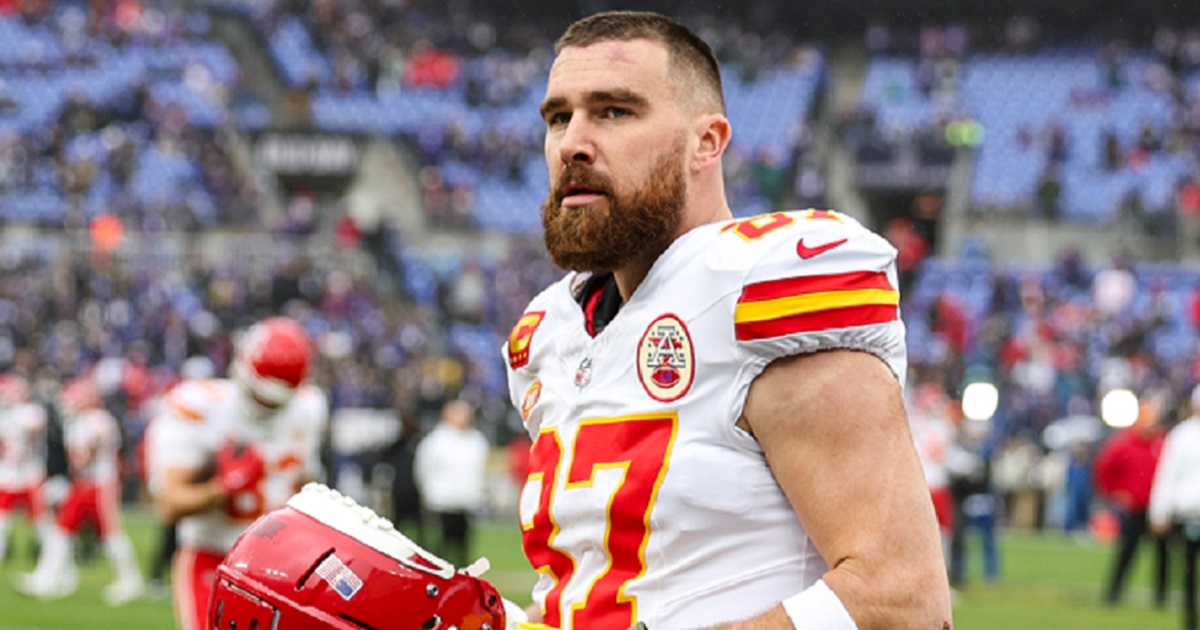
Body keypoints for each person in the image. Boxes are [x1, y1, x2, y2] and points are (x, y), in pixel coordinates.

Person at [502, 11, 951, 629]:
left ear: (706, 142)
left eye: (614, 111)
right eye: (559, 117)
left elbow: (901, 601)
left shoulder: (766, 287)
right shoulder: (548, 331)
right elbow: (606, 585)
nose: (573, 142)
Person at [145, 317, 329, 630]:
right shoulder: (199, 405)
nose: (265, 407)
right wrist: (225, 487)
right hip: (214, 558)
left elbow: (306, 486)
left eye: (274, 403)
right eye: (259, 397)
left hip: (283, 565)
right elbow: (168, 504)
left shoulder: (310, 408)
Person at [15, 376, 145, 605]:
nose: (68, 403)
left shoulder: (99, 420)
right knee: (61, 530)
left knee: (110, 533)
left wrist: (79, 470)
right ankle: (49, 577)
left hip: (99, 483)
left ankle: (130, 580)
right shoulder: (77, 423)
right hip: (83, 484)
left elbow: (92, 450)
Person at [1093, 389, 1169, 607]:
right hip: (1135, 507)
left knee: (1163, 553)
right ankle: (1114, 592)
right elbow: (1104, 470)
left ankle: (1161, 596)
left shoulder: (1163, 442)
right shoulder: (1124, 443)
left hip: (1158, 507)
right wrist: (1114, 493)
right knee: (1128, 550)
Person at [413, 398, 490, 568]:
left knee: (463, 544)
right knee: (441, 544)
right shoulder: (435, 441)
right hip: (442, 501)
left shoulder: (476, 441)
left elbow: (480, 471)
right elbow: (424, 469)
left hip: (466, 501)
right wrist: (428, 493)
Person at [1149, 384, 1200, 630]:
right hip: (1187, 513)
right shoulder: (1181, 435)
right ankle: (1190, 620)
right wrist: (1159, 510)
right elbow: (1167, 475)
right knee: (1188, 572)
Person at [0, 374, 49, 569]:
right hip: (7, 472)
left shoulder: (31, 412)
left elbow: (34, 432)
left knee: (38, 517)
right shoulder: (4, 414)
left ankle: (45, 552)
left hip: (30, 471)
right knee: (2, 516)